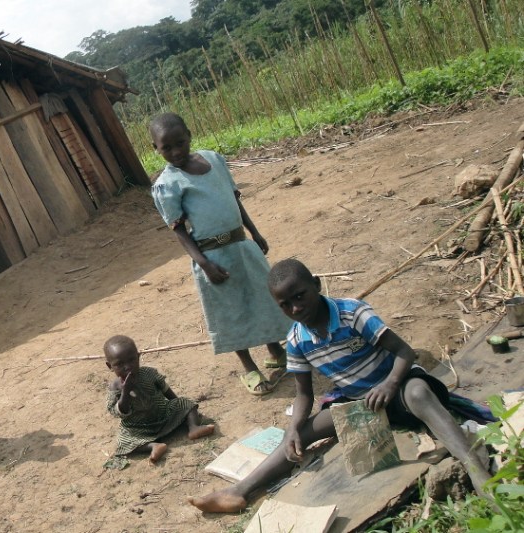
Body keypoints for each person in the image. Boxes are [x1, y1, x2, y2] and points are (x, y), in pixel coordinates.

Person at [188, 258, 492, 512]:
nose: (295, 309)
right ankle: (239, 491)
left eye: (299, 296)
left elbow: (404, 352)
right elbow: (304, 394)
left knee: (419, 392)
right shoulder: (297, 339)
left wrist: (389, 384)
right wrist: (293, 429)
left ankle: (472, 465)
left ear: (317, 285)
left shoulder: (352, 313)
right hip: (361, 407)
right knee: (299, 434)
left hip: (397, 391)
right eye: (285, 305)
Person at [150, 112, 292, 396]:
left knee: (261, 297)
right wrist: (204, 263)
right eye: (167, 148)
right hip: (212, 256)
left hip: (241, 245)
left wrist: (254, 232)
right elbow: (179, 230)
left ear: (189, 135)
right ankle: (249, 367)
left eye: (180, 143)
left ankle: (276, 352)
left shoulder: (214, 160)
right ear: (156, 149)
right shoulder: (167, 184)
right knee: (231, 310)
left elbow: (235, 201)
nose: (176, 152)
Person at [105, 335, 216, 463]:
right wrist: (125, 392)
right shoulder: (114, 388)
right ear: (110, 366)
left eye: (131, 360)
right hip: (139, 428)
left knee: (185, 402)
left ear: (138, 356)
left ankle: (194, 427)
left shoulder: (149, 374)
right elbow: (118, 412)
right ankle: (153, 446)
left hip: (163, 415)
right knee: (122, 441)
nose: (127, 367)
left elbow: (165, 389)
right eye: (119, 364)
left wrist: (181, 409)